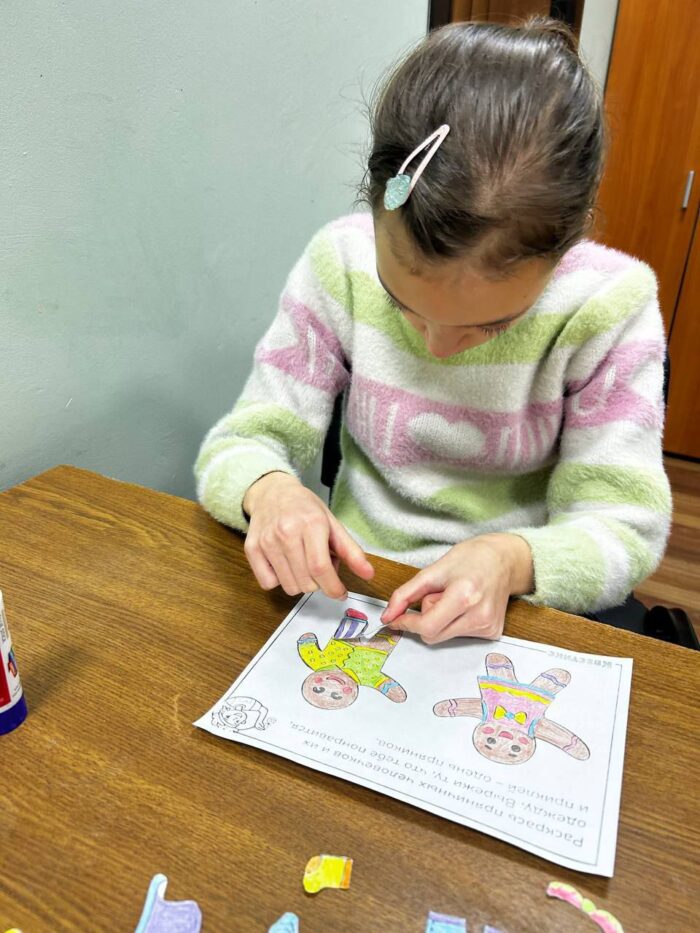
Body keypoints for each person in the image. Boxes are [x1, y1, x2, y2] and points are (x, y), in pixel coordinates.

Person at [195, 18, 671, 645]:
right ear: (376, 204)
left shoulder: (609, 306)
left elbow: (625, 525)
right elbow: (240, 442)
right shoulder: (340, 263)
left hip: (519, 607)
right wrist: (269, 489)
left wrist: (511, 559)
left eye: (493, 324)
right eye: (401, 304)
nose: (436, 346)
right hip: (360, 588)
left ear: (567, 245)